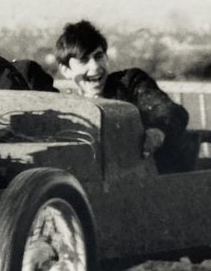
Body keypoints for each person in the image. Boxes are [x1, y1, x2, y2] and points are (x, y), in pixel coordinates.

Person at [55, 20, 191, 172]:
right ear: (66, 71)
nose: (95, 66)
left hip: (147, 177)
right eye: (84, 60)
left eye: (98, 56)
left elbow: (169, 110)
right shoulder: (69, 106)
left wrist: (158, 131)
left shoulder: (130, 83)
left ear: (106, 58)